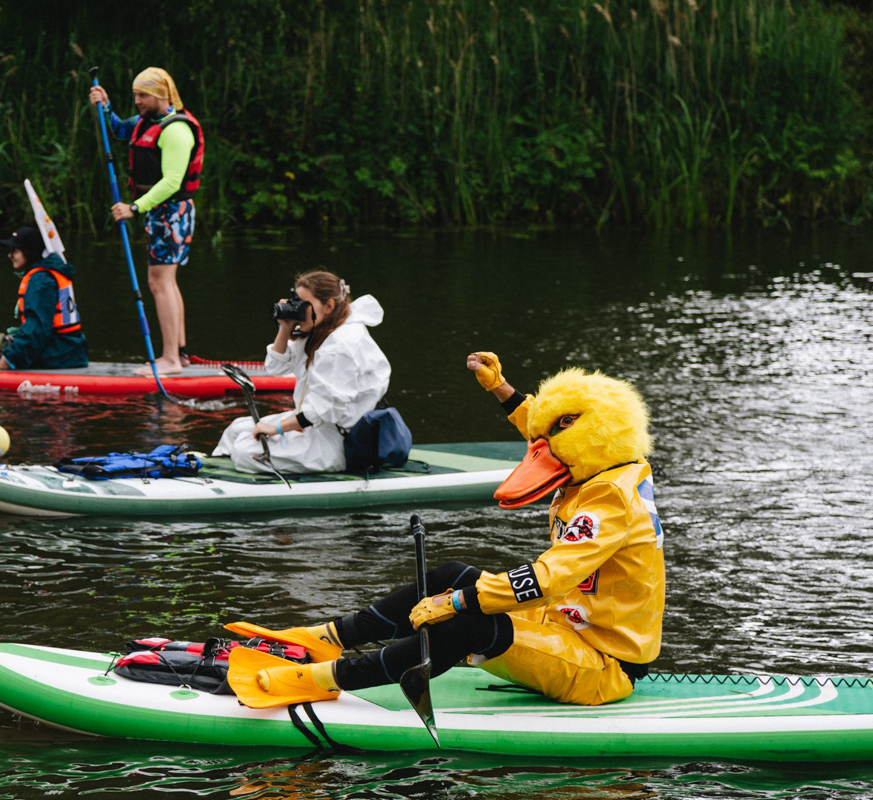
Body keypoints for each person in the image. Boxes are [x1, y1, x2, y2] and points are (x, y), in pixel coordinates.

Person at [225, 353, 665, 708]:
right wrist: (503, 390)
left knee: (465, 623)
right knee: (452, 572)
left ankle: (325, 679)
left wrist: (457, 602)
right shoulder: (606, 458)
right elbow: (558, 423)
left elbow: (548, 577)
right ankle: (326, 638)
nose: (540, 451)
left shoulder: (610, 501)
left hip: (602, 667)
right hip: (565, 627)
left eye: (551, 443)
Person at [212, 271, 391, 474]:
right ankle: (212, 473)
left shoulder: (342, 345)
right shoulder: (322, 330)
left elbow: (323, 410)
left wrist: (276, 428)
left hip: (338, 444)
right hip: (314, 426)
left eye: (304, 305)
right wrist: (285, 327)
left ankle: (235, 486)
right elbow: (276, 367)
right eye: (296, 302)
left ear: (329, 306)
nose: (298, 310)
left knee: (245, 451)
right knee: (236, 430)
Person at [88, 67, 204, 376]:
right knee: (167, 281)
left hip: (170, 215)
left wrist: (134, 208)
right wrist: (105, 105)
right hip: (161, 214)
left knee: (159, 282)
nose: (137, 101)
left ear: (160, 95)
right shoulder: (145, 123)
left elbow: (172, 181)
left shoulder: (176, 130)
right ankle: (179, 352)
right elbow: (116, 130)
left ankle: (169, 360)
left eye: (143, 95)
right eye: (135, 95)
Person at [0, 226, 89, 371]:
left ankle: (10, 357)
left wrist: (12, 357)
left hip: (58, 355)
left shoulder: (40, 281)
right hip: (68, 350)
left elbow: (37, 327)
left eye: (14, 251)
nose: (9, 255)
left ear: (29, 252)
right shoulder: (47, 274)